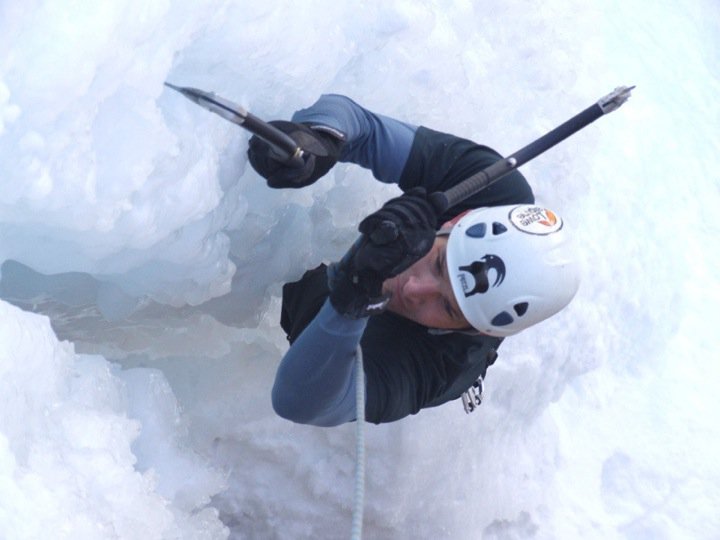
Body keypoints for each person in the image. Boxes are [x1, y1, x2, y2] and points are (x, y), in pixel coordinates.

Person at [247, 95, 579, 426]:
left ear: (471, 329)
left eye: (447, 308)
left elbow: (297, 403)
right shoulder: (494, 192)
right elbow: (362, 127)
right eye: (438, 264)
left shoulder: (439, 365)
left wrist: (350, 302)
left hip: (352, 323)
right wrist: (319, 139)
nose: (414, 289)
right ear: (455, 220)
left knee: (311, 300)